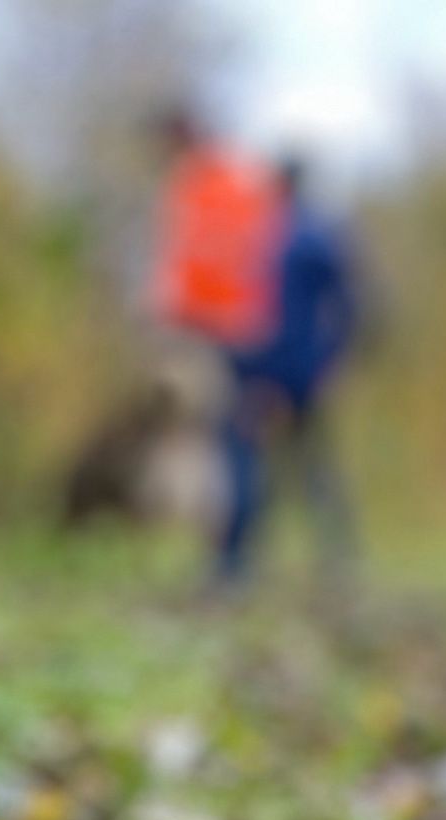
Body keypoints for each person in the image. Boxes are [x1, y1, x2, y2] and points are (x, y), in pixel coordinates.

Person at [147, 108, 284, 584]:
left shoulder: (194, 185)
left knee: (213, 450)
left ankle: (228, 563)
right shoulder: (247, 180)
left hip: (209, 334)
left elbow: (180, 272)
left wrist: (168, 328)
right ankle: (235, 559)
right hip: (254, 331)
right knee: (239, 447)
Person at [232, 156, 361, 578]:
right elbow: (348, 306)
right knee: (305, 467)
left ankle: (246, 564)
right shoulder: (312, 234)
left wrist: (269, 374)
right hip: (298, 370)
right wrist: (332, 361)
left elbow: (331, 308)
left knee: (267, 465)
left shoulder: (291, 239)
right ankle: (333, 560)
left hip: (283, 372)